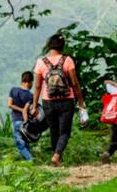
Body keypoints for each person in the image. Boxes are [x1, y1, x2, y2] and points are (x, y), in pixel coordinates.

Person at [32, 33, 86, 166]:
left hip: (48, 101)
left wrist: (34, 106)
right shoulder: (67, 60)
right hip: (66, 101)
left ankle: (56, 157)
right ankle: (57, 155)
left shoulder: (40, 62)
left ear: (49, 46)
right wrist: (81, 102)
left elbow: (38, 86)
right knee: (65, 132)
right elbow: (75, 83)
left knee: (54, 130)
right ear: (62, 46)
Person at [8, 71, 34, 161]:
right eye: (32, 83)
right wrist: (26, 123)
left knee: (20, 144)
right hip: (23, 121)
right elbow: (25, 111)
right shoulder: (30, 95)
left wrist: (20, 109)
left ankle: (30, 160)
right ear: (29, 82)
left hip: (16, 121)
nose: (32, 85)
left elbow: (10, 105)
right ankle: (30, 160)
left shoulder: (13, 90)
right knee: (25, 143)